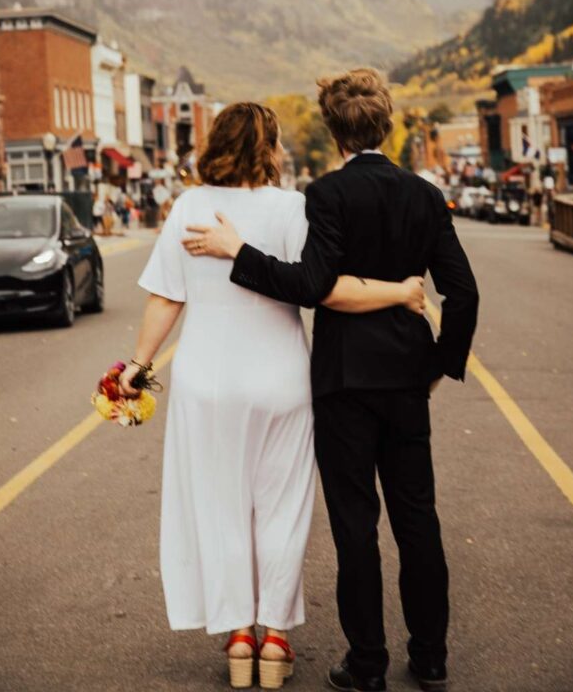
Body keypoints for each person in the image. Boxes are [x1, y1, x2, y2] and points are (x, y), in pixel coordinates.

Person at [184, 69, 479, 692]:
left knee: (355, 524)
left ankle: (366, 663)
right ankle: (430, 657)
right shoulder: (423, 195)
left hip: (343, 382)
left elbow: (312, 285)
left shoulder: (327, 194)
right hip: (405, 380)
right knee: (418, 518)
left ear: (333, 129)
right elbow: (464, 291)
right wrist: (437, 366)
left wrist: (239, 253)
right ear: (387, 122)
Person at [119, 102, 427, 691]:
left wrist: (137, 366)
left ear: (216, 143)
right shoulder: (293, 208)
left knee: (222, 506)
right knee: (281, 509)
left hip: (206, 382)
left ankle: (239, 636)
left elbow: (166, 298)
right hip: (280, 381)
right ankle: (277, 639)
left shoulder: (188, 205)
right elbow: (325, 288)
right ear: (271, 147)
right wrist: (398, 292)